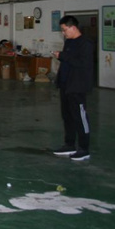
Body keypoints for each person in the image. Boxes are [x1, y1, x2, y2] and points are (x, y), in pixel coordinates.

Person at [51, 15, 94, 161]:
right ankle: (69, 144)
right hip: (66, 85)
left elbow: (83, 63)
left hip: (77, 86)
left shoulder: (85, 43)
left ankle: (84, 148)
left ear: (73, 27)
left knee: (80, 117)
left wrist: (63, 56)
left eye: (64, 30)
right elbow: (67, 61)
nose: (63, 33)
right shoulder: (69, 42)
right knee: (67, 116)